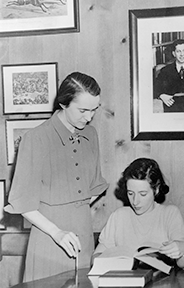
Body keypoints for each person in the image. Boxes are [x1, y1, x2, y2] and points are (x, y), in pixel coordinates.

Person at [5, 72, 109, 282]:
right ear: (63, 103)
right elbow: (23, 204)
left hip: (83, 239)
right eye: (82, 110)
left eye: (94, 110)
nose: (89, 117)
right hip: (50, 241)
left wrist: (74, 211)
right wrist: (57, 231)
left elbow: (94, 188)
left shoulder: (91, 135)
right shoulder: (35, 139)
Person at [93, 157, 184, 269]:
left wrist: (183, 250)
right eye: (130, 193)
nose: (135, 201)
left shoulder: (169, 213)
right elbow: (96, 257)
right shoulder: (118, 216)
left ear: (156, 190)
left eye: (143, 194)